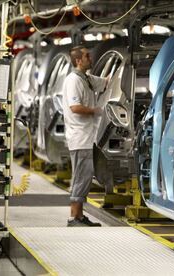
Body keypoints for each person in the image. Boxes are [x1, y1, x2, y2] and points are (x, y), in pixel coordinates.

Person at [62, 45, 108, 227]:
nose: (91, 58)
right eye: (87, 56)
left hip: (88, 137)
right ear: (78, 61)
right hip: (79, 137)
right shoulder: (73, 81)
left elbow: (105, 82)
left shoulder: (86, 79)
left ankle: (80, 216)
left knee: (85, 176)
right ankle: (74, 217)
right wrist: (96, 111)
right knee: (81, 176)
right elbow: (75, 108)